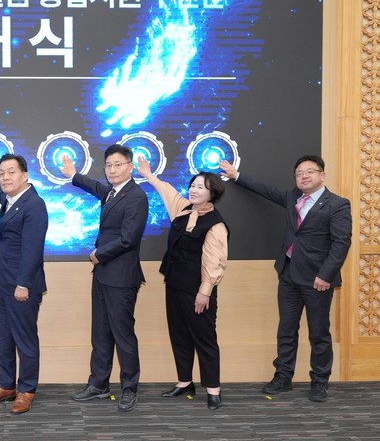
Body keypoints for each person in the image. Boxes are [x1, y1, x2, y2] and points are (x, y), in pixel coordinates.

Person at [219, 156, 351, 402]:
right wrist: (236, 175)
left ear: (322, 175)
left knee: (319, 333)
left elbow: (341, 243)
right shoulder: (292, 197)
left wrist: (326, 275)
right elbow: (266, 189)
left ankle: (320, 381)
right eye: (299, 173)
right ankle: (283, 376)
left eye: (310, 171)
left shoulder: (337, 204)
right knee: (286, 329)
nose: (304, 176)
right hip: (288, 275)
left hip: (317, 280)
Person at [59, 144, 148, 412]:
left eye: (118, 165)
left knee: (123, 335)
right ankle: (99, 384)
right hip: (102, 275)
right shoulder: (111, 191)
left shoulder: (136, 197)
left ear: (130, 167)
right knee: (100, 332)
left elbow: (128, 239)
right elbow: (96, 187)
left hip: (121, 277)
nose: (112, 170)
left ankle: (130, 388)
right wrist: (74, 175)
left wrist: (99, 254)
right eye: (108, 165)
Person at [136, 157, 229, 410]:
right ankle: (185, 382)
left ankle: (213, 390)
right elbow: (166, 190)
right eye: (193, 185)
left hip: (198, 290)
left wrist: (204, 292)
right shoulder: (183, 209)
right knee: (179, 334)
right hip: (175, 283)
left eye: (201, 187)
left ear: (212, 193)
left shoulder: (215, 224)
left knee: (204, 338)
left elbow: (215, 262)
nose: (194, 190)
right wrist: (149, 175)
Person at [0, 153, 49, 415]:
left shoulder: (34, 204)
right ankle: (6, 386)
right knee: (5, 337)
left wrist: (23, 284)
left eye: (11, 172)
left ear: (25, 175)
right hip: (4, 281)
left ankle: (27, 390)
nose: (5, 177)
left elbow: (33, 249)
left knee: (25, 339)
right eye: (2, 172)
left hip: (22, 285)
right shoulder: (12, 199)